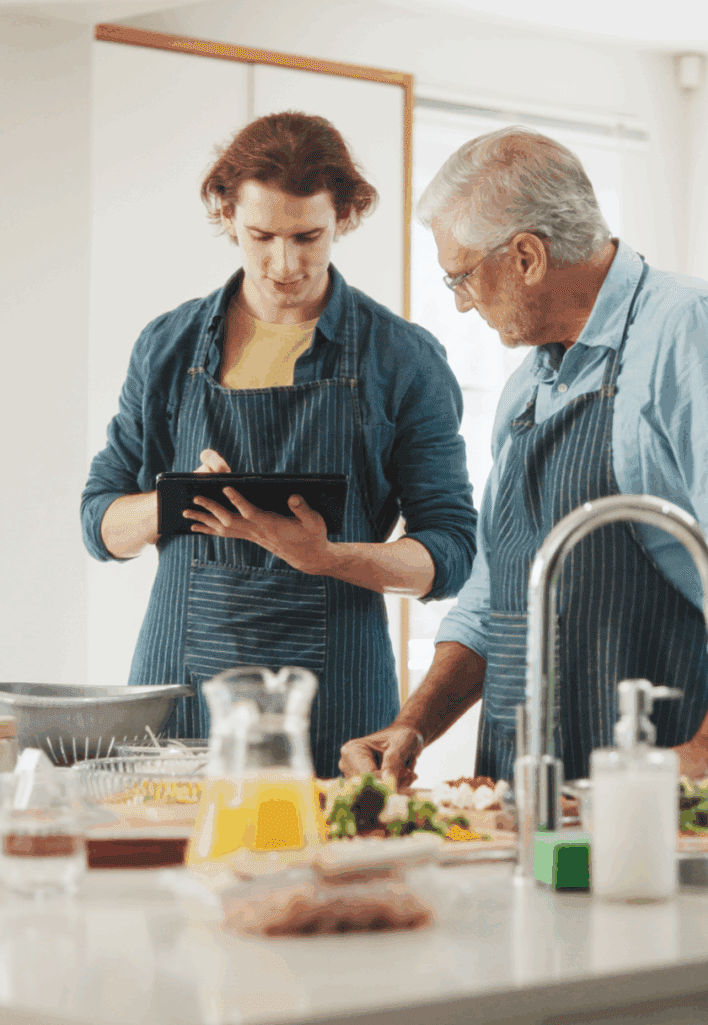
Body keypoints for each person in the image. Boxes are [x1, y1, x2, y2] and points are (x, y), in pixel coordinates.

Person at [339, 127, 708, 796]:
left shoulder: (689, 329)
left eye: (461, 276)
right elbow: (496, 590)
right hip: (531, 793)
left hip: (671, 786)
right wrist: (413, 726)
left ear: (526, 256)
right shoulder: (527, 385)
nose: (459, 300)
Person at [82, 112, 478, 775]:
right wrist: (180, 499)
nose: (283, 264)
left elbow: (450, 553)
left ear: (344, 219)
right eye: (260, 235)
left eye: (307, 236)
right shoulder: (166, 348)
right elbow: (100, 525)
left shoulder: (403, 359)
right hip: (182, 694)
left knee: (328, 873)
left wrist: (329, 556)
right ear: (226, 215)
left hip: (337, 700)